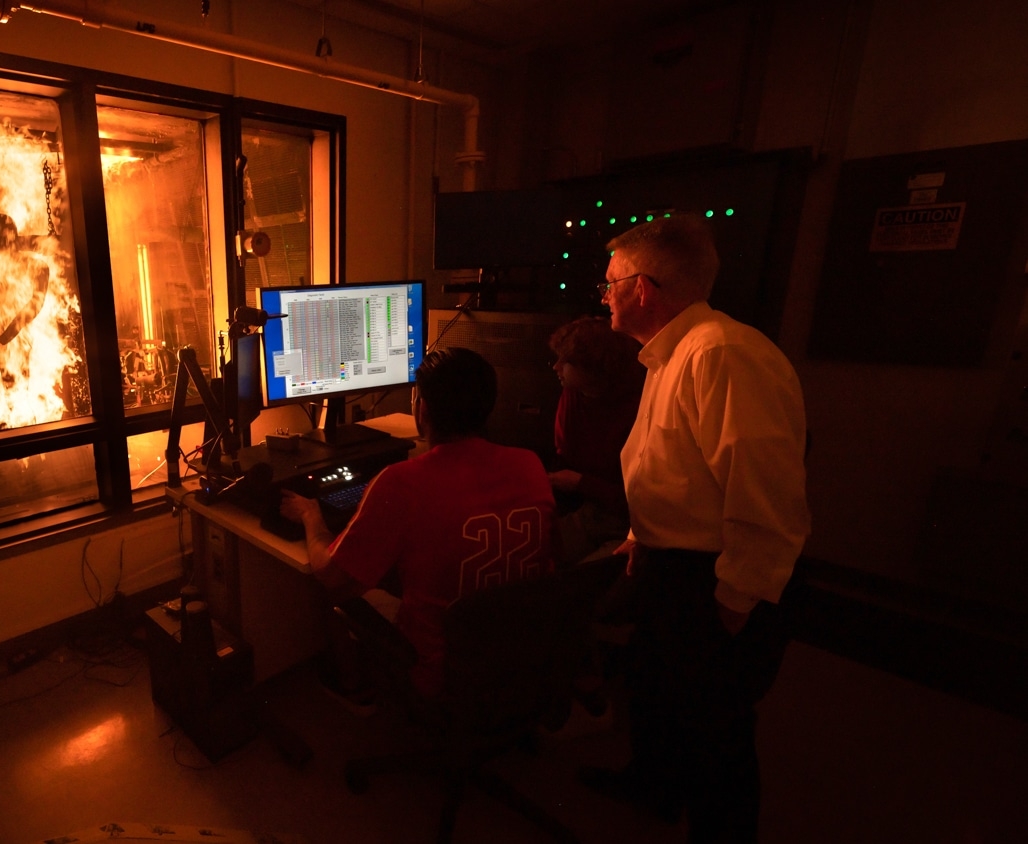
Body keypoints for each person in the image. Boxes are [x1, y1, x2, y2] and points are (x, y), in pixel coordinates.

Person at [582, 215, 809, 843]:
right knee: (655, 690)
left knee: (718, 732)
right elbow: (678, 469)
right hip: (672, 559)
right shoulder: (672, 351)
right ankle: (652, 786)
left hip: (716, 575)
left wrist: (734, 604)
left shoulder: (722, 354)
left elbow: (765, 496)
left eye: (610, 284)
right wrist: (641, 535)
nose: (604, 296)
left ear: (644, 289)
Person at [279, 347, 558, 701]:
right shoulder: (529, 464)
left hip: (441, 673)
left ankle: (352, 687)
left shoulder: (402, 482)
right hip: (518, 654)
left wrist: (311, 516)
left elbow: (332, 573)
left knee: (338, 589)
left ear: (421, 407)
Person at [547, 316, 644, 563]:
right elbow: (564, 456)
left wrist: (582, 483)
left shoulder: (638, 408)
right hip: (589, 510)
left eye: (566, 361)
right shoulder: (573, 395)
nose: (556, 367)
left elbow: (641, 499)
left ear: (595, 366)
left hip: (630, 523)